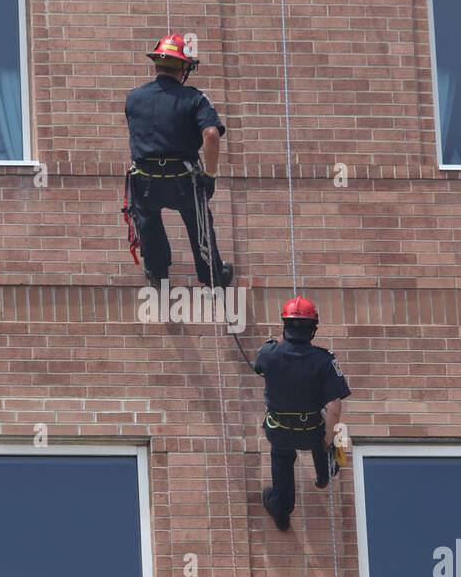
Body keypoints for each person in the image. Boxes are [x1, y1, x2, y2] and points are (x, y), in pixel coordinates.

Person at [123, 34, 233, 288]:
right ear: (184, 67)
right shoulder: (194, 98)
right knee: (199, 221)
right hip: (183, 179)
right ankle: (212, 274)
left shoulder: (133, 98)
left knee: (147, 219)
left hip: (145, 179)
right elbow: (211, 134)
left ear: (157, 64)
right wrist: (211, 175)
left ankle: (157, 271)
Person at [254, 296, 352, 532]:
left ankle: (281, 508)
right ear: (313, 329)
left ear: (285, 326)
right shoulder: (324, 360)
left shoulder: (269, 354)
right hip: (311, 430)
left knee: (282, 458)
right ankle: (324, 472)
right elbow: (335, 407)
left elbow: (260, 365)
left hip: (279, 429)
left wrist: (280, 341)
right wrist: (329, 441)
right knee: (332, 434)